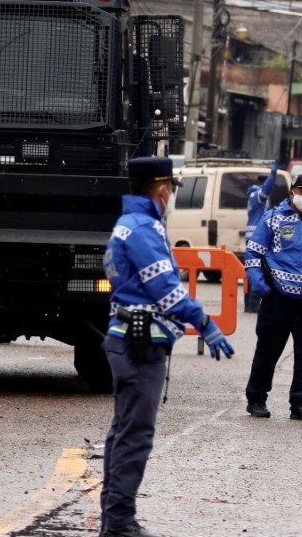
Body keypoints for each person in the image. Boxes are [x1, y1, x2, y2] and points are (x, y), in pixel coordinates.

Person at [99, 156, 234, 537]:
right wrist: (204, 321)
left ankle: (114, 518)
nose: (171, 195)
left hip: (131, 339)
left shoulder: (132, 224)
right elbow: (166, 289)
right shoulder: (143, 229)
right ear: (161, 190)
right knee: (135, 435)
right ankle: (119, 522)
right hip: (140, 344)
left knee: (124, 431)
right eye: (171, 189)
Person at [243, 172, 302, 422]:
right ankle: (257, 398)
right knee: (269, 349)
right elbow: (253, 255)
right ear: (292, 192)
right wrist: (263, 288)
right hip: (277, 297)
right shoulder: (271, 219)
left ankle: (301, 403)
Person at [242, 159, 279, 313]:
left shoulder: (254, 195)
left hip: (254, 237)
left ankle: (250, 303)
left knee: (253, 270)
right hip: (256, 238)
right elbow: (268, 188)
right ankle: (253, 303)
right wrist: (273, 172)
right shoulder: (258, 194)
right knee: (257, 271)